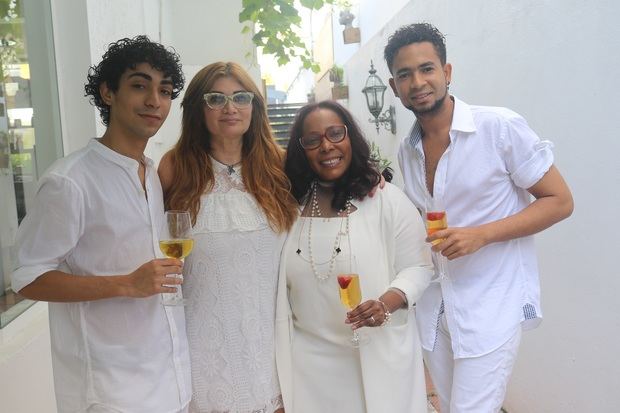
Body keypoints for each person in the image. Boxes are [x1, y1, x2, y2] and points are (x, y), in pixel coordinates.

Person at [384, 23, 574, 412]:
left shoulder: (498, 128)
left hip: (492, 306)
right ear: (394, 86)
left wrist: (482, 235)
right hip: (437, 311)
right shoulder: (407, 149)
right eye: (405, 74)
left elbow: (559, 201)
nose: (417, 82)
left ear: (447, 72)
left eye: (427, 69)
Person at [11, 36, 191, 412]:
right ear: (108, 92)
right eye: (139, 85)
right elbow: (27, 278)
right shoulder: (70, 181)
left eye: (165, 90)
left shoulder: (153, 173)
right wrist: (126, 284)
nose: (154, 101)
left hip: (170, 379)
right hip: (110, 393)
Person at [275, 100, 434, 413]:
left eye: (336, 134)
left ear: (350, 138)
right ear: (300, 150)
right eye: (313, 140)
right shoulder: (287, 206)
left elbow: (418, 266)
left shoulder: (385, 199)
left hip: (376, 357)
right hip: (310, 369)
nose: (326, 146)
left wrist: (386, 303)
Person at [158, 62, 297, 413]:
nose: (230, 107)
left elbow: (333, 195)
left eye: (240, 97)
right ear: (198, 109)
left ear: (255, 107)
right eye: (216, 98)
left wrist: (372, 181)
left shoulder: (282, 166)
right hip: (202, 346)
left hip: (272, 343)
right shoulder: (173, 168)